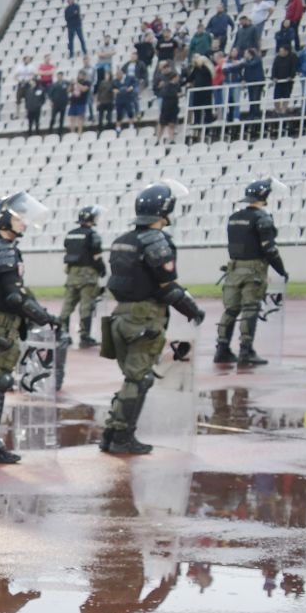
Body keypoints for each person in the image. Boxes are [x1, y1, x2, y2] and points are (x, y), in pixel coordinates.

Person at [103, 180, 206, 454]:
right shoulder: (156, 241)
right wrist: (193, 310)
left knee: (132, 378)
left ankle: (111, 433)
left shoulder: (122, 240)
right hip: (144, 319)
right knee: (139, 379)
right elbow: (167, 287)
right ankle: (122, 437)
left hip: (121, 316)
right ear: (165, 211)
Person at [0, 193, 61, 465]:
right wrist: (44, 318)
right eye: (17, 217)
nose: (23, 222)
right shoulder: (5, 249)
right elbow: (15, 296)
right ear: (3, 220)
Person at [213, 178, 286, 366]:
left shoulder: (234, 217)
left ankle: (222, 349)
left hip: (234, 268)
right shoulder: (262, 219)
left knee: (230, 310)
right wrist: (281, 270)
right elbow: (269, 249)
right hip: (254, 269)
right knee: (250, 309)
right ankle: (246, 351)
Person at [59, 206, 106, 347]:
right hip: (88, 274)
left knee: (67, 305)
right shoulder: (92, 235)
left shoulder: (70, 234)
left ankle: (63, 334)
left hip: (72, 273)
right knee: (86, 306)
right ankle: (85, 336)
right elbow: (96, 256)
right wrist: (102, 269)